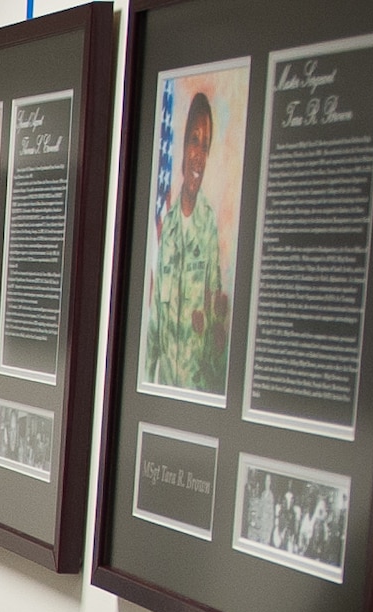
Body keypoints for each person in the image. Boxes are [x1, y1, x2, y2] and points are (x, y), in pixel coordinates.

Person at [143, 90, 230, 395]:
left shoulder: (208, 226)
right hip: (162, 390)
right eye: (194, 140)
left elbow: (217, 326)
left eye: (205, 146)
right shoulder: (167, 228)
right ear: (182, 147)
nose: (198, 154)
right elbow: (154, 322)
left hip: (196, 390)